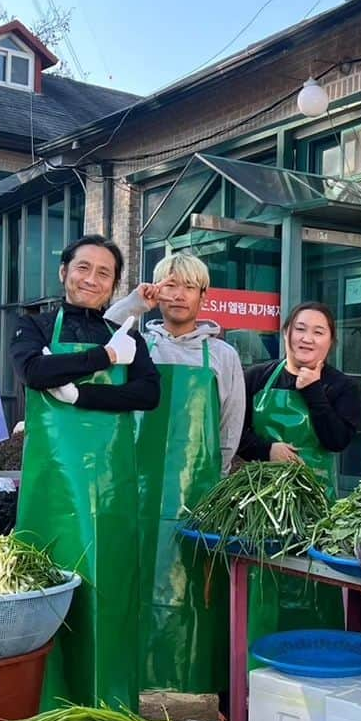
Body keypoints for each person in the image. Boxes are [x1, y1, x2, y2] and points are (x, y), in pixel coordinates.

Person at [10, 235, 160, 712]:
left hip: (111, 488)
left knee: (109, 589)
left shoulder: (128, 335)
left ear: (114, 285)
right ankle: (47, 703)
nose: (91, 279)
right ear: (63, 271)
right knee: (48, 585)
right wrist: (105, 359)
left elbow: (148, 394)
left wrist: (84, 394)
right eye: (83, 268)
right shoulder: (31, 326)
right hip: (51, 486)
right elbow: (35, 372)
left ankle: (110, 703)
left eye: (104, 274)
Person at [104, 253, 246, 694]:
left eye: (189, 286)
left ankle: (194, 687)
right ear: (156, 290)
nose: (179, 294)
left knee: (193, 596)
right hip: (135, 494)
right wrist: (133, 304)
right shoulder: (135, 343)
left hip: (198, 497)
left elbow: (230, 425)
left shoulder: (222, 355)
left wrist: (217, 483)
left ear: (204, 296)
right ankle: (130, 686)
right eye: (170, 284)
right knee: (134, 586)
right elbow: (97, 336)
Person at [238, 301, 361, 643]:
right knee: (262, 587)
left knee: (315, 588)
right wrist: (267, 450)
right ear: (286, 333)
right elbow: (234, 432)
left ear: (330, 341)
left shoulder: (341, 387)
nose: (307, 338)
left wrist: (313, 392)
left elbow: (337, 439)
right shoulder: (257, 377)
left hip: (316, 506)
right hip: (261, 507)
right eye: (301, 329)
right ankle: (255, 675)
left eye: (318, 332)